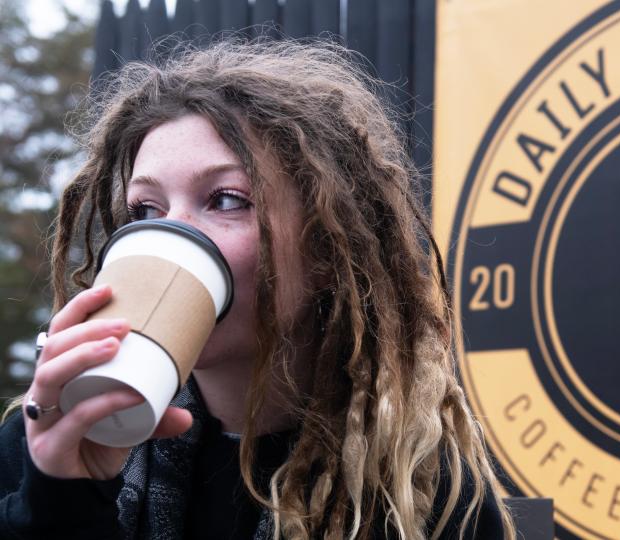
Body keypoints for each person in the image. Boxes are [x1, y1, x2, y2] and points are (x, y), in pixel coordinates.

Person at [0, 38, 516, 540]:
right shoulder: (47, 441)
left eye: (225, 200)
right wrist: (59, 505)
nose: (169, 233)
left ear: (325, 252)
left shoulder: (419, 488)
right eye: (145, 210)